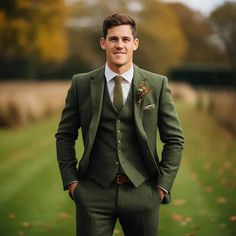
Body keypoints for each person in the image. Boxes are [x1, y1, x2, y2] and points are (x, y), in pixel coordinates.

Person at [55, 13, 184, 236]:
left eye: (125, 39)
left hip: (143, 192)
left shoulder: (156, 84)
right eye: (113, 39)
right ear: (103, 42)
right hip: (94, 193)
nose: (120, 45)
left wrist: (162, 187)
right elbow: (65, 135)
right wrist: (72, 182)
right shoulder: (81, 84)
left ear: (135, 43)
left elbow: (175, 139)